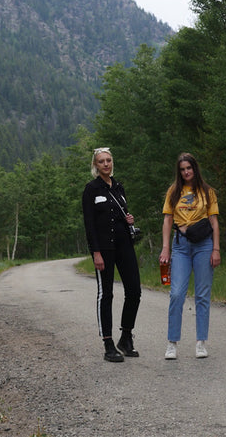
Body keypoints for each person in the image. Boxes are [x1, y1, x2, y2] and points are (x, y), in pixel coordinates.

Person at [159, 152, 221, 360]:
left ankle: (201, 341)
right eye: (182, 169)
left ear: (195, 168)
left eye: (189, 168)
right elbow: (168, 220)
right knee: (176, 293)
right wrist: (165, 248)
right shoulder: (173, 192)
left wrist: (216, 249)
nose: (186, 172)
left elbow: (214, 222)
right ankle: (172, 342)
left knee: (202, 294)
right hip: (181, 246)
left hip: (204, 244)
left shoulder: (207, 191)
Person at [81, 147, 141, 363]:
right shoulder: (91, 189)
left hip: (124, 245)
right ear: (95, 166)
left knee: (134, 290)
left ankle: (126, 337)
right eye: (101, 161)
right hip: (104, 248)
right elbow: (90, 225)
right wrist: (95, 252)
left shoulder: (119, 187)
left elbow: (122, 213)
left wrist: (129, 220)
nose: (106, 164)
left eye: (108, 160)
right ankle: (108, 343)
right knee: (105, 294)